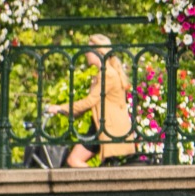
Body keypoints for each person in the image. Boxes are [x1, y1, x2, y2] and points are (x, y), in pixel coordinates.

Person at [44, 36, 140, 167]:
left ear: (99, 52)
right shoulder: (103, 72)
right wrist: (70, 112)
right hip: (101, 126)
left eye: (88, 50)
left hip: (108, 129)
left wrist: (60, 108)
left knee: (73, 160)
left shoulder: (107, 74)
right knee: (76, 160)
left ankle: (99, 180)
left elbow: (90, 101)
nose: (86, 53)